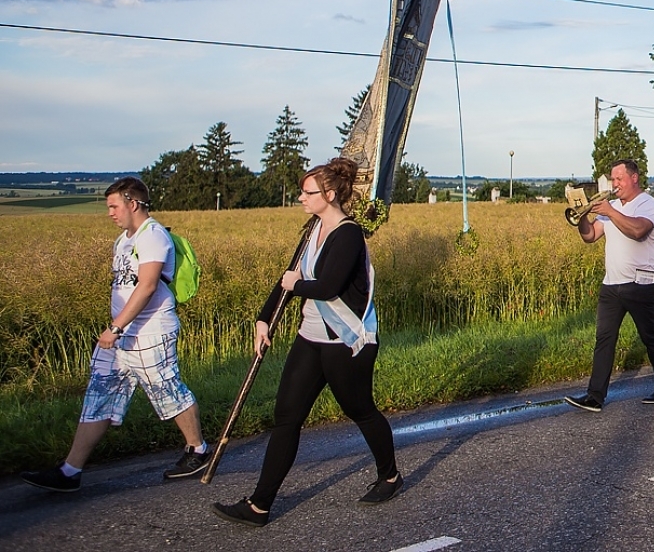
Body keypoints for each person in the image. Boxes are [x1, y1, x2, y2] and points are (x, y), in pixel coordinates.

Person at [213, 159, 398, 526]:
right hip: (311, 337)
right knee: (287, 417)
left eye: (308, 192)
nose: (301, 197)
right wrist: (264, 318)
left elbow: (326, 286)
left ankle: (390, 475)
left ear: (329, 195)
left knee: (360, 410)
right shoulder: (313, 228)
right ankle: (259, 505)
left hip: (346, 341)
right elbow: (290, 274)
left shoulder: (347, 234)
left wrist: (294, 286)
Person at [22, 178, 209, 493]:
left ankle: (199, 450)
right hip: (121, 335)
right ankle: (70, 472)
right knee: (99, 397)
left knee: (168, 391)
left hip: (149, 332)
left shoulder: (153, 236)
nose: (110, 212)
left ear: (133, 203)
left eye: (114, 206)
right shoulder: (123, 240)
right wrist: (117, 328)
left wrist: (116, 327)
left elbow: (147, 286)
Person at [566, 160, 654, 413]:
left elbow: (638, 231)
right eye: (612, 180)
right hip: (612, 283)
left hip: (641, 282)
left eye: (619, 179)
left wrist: (611, 211)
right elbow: (590, 236)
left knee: (650, 336)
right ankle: (595, 396)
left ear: (634, 178)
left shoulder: (648, 204)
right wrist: (582, 217)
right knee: (604, 339)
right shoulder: (611, 206)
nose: (614, 184)